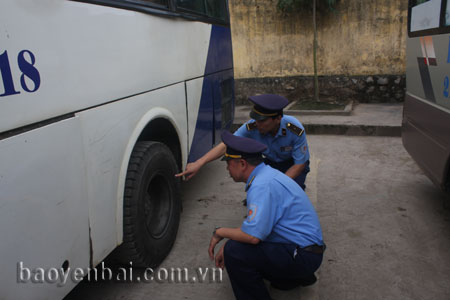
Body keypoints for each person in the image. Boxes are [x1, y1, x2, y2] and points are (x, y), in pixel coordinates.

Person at [209, 131, 325, 300]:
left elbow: (253, 236)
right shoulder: (267, 174)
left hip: (303, 255)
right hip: (308, 249)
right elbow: (254, 225)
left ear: (242, 163)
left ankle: (296, 273)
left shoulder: (261, 186)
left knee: (235, 252)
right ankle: (293, 277)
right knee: (239, 242)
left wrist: (219, 232)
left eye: (228, 163)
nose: (227, 168)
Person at [176, 94, 310, 190]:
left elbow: (299, 164)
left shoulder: (294, 129)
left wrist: (277, 185)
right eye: (256, 119)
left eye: (262, 121)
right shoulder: (253, 126)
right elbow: (227, 144)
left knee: (291, 192)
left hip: (291, 164)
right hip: (269, 163)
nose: (257, 124)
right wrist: (199, 163)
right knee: (260, 189)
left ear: (278, 118)